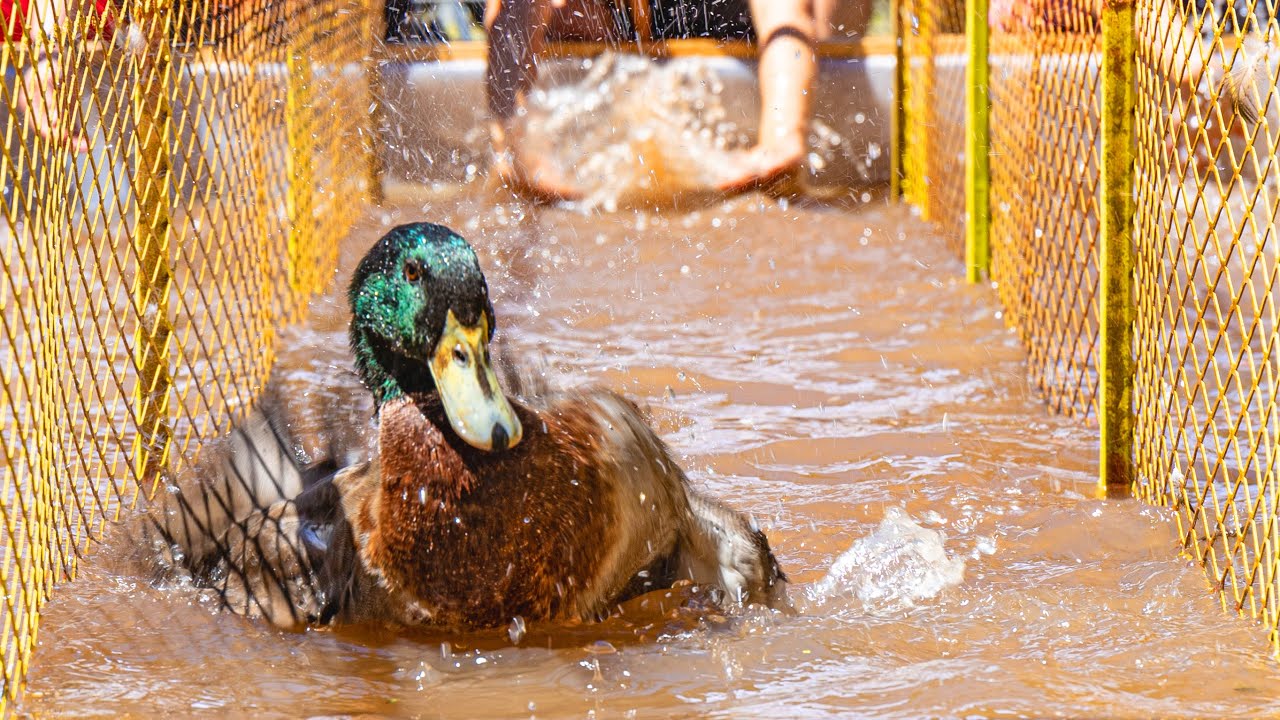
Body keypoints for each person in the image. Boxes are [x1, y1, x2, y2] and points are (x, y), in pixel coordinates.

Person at [484, 0, 872, 200]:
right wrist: (512, 147)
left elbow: (791, 18)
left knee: (823, 23)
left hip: (764, 21)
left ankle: (783, 136)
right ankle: (515, 149)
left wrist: (781, 136)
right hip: (635, 22)